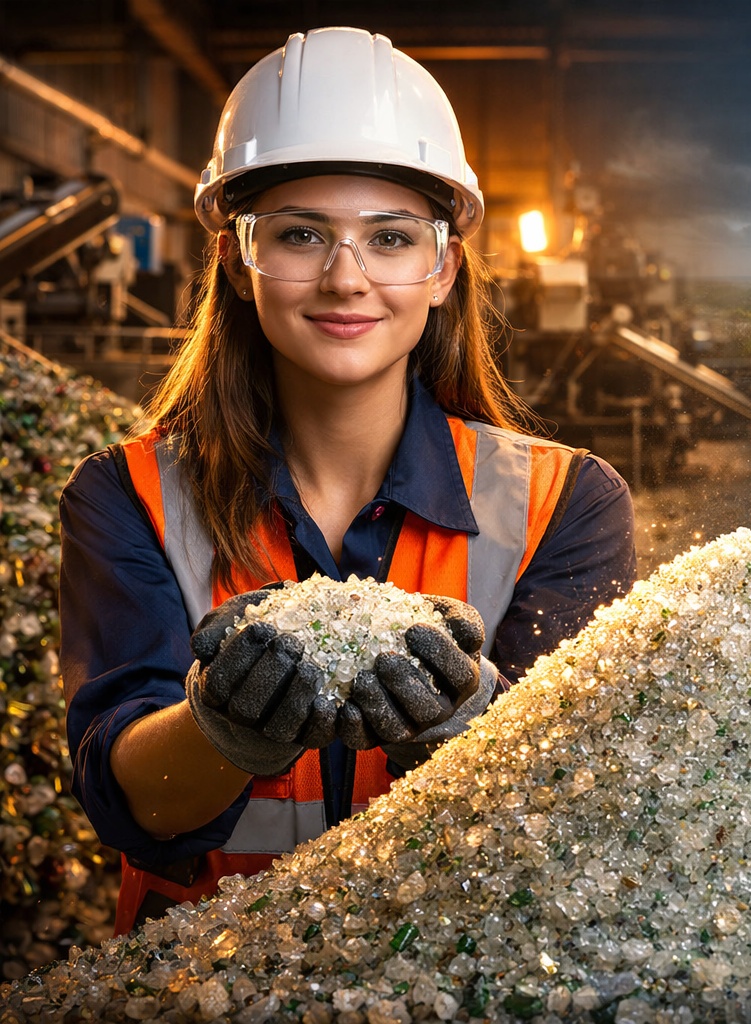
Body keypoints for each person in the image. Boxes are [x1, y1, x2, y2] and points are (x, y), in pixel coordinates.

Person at [59, 27, 636, 935]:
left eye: (391, 239)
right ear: (239, 267)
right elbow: (125, 802)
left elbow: (575, 812)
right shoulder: (125, 495)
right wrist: (220, 729)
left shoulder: (564, 503)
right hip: (201, 980)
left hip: (456, 973)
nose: (344, 278)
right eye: (299, 235)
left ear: (443, 268)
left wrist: (465, 715)